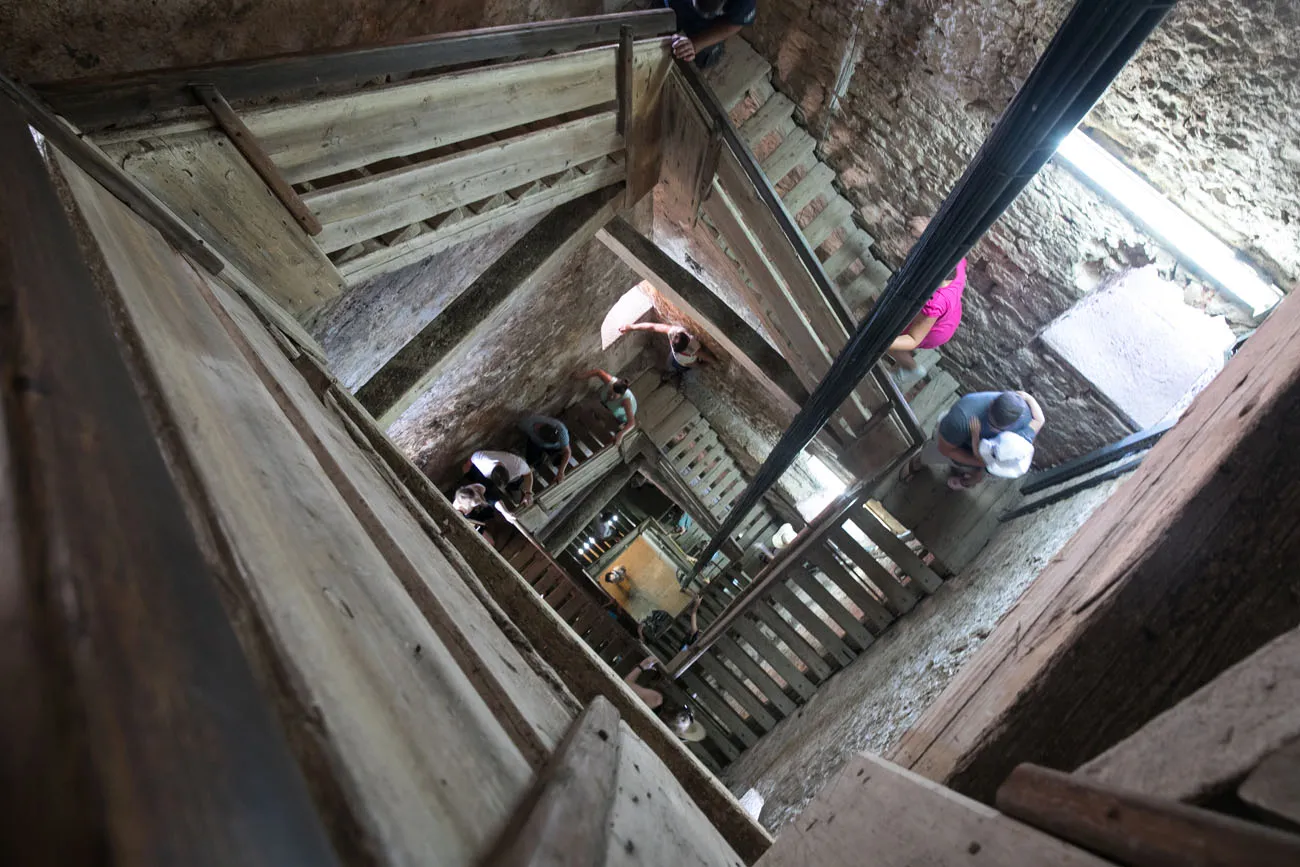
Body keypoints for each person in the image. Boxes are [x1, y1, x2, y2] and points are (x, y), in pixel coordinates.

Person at [900, 390, 1045, 490]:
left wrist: (980, 464)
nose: (994, 430)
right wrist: (1028, 397)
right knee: (935, 452)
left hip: (981, 458)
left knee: (965, 468)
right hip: (956, 442)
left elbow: (984, 459)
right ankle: (920, 461)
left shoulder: (1018, 433)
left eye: (998, 428)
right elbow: (945, 449)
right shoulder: (962, 417)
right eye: (992, 424)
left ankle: (958, 470)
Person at [889, 216, 969, 388]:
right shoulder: (956, 261)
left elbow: (913, 338)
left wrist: (881, 342)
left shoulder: (935, 301)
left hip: (936, 330)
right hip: (950, 316)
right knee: (897, 336)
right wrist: (928, 232)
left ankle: (911, 369)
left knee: (892, 342)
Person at [624, 657, 708, 742]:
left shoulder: (655, 700)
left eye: (683, 719)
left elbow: (625, 685)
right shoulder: (655, 736)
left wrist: (641, 667)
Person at [665, 0, 757, 68]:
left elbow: (735, 24)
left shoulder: (745, 3)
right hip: (677, 4)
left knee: (700, 54)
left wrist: (695, 45)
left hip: (705, 24)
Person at [618, 322, 714, 384]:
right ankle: (671, 373)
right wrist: (631, 327)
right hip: (676, 359)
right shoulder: (673, 332)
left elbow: (701, 362)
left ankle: (675, 374)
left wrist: (708, 364)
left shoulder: (694, 349)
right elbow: (653, 327)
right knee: (669, 364)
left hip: (684, 365)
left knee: (681, 370)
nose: (671, 343)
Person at [574, 368, 638, 444]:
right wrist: (581, 376)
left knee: (608, 428)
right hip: (607, 405)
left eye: (614, 396)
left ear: (621, 396)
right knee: (592, 407)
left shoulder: (625, 401)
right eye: (610, 392)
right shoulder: (609, 381)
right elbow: (598, 372)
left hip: (620, 417)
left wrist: (621, 434)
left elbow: (632, 423)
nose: (611, 396)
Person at [462, 449, 535, 508]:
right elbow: (471, 459)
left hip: (514, 477)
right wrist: (467, 469)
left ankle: (514, 487)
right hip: (491, 474)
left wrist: (528, 492)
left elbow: (528, 474)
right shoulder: (482, 462)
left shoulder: (517, 465)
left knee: (517, 487)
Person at [518, 414, 572, 482]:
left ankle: (557, 466)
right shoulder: (527, 424)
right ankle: (537, 464)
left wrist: (561, 471)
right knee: (532, 461)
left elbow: (567, 451)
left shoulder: (561, 430)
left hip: (554, 447)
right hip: (536, 443)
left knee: (562, 458)